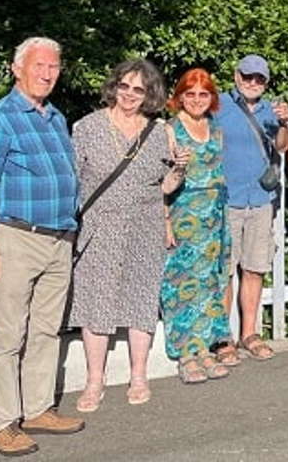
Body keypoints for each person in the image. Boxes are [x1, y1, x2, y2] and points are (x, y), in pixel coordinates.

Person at [0, 37, 85, 456]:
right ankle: (3, 421)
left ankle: (36, 409)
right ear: (18, 69)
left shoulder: (55, 118)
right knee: (11, 334)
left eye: (54, 66)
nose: (48, 73)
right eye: (39, 65)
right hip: (16, 237)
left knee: (46, 330)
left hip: (58, 238)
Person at [70, 59, 182, 412]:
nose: (130, 95)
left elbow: (166, 186)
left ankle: (138, 375)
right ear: (114, 86)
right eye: (125, 86)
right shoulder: (86, 127)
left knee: (140, 299)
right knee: (95, 301)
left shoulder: (160, 131)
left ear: (150, 94)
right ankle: (94, 381)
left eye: (139, 89)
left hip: (145, 225)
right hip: (99, 226)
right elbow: (72, 180)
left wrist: (180, 169)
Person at [216, 55, 288, 363]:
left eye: (259, 79)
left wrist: (285, 123)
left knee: (255, 268)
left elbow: (283, 146)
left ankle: (249, 333)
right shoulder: (218, 105)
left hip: (259, 199)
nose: (252, 83)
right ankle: (222, 337)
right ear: (236, 75)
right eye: (248, 76)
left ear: (266, 82)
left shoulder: (272, 110)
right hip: (226, 199)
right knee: (225, 271)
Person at [162, 68, 232, 384]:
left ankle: (204, 347)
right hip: (183, 213)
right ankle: (186, 354)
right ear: (179, 97)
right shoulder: (170, 129)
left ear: (212, 98)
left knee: (208, 283)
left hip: (214, 216)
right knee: (180, 283)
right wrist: (165, 222)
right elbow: (160, 183)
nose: (196, 100)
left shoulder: (215, 129)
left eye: (203, 94)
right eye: (190, 94)